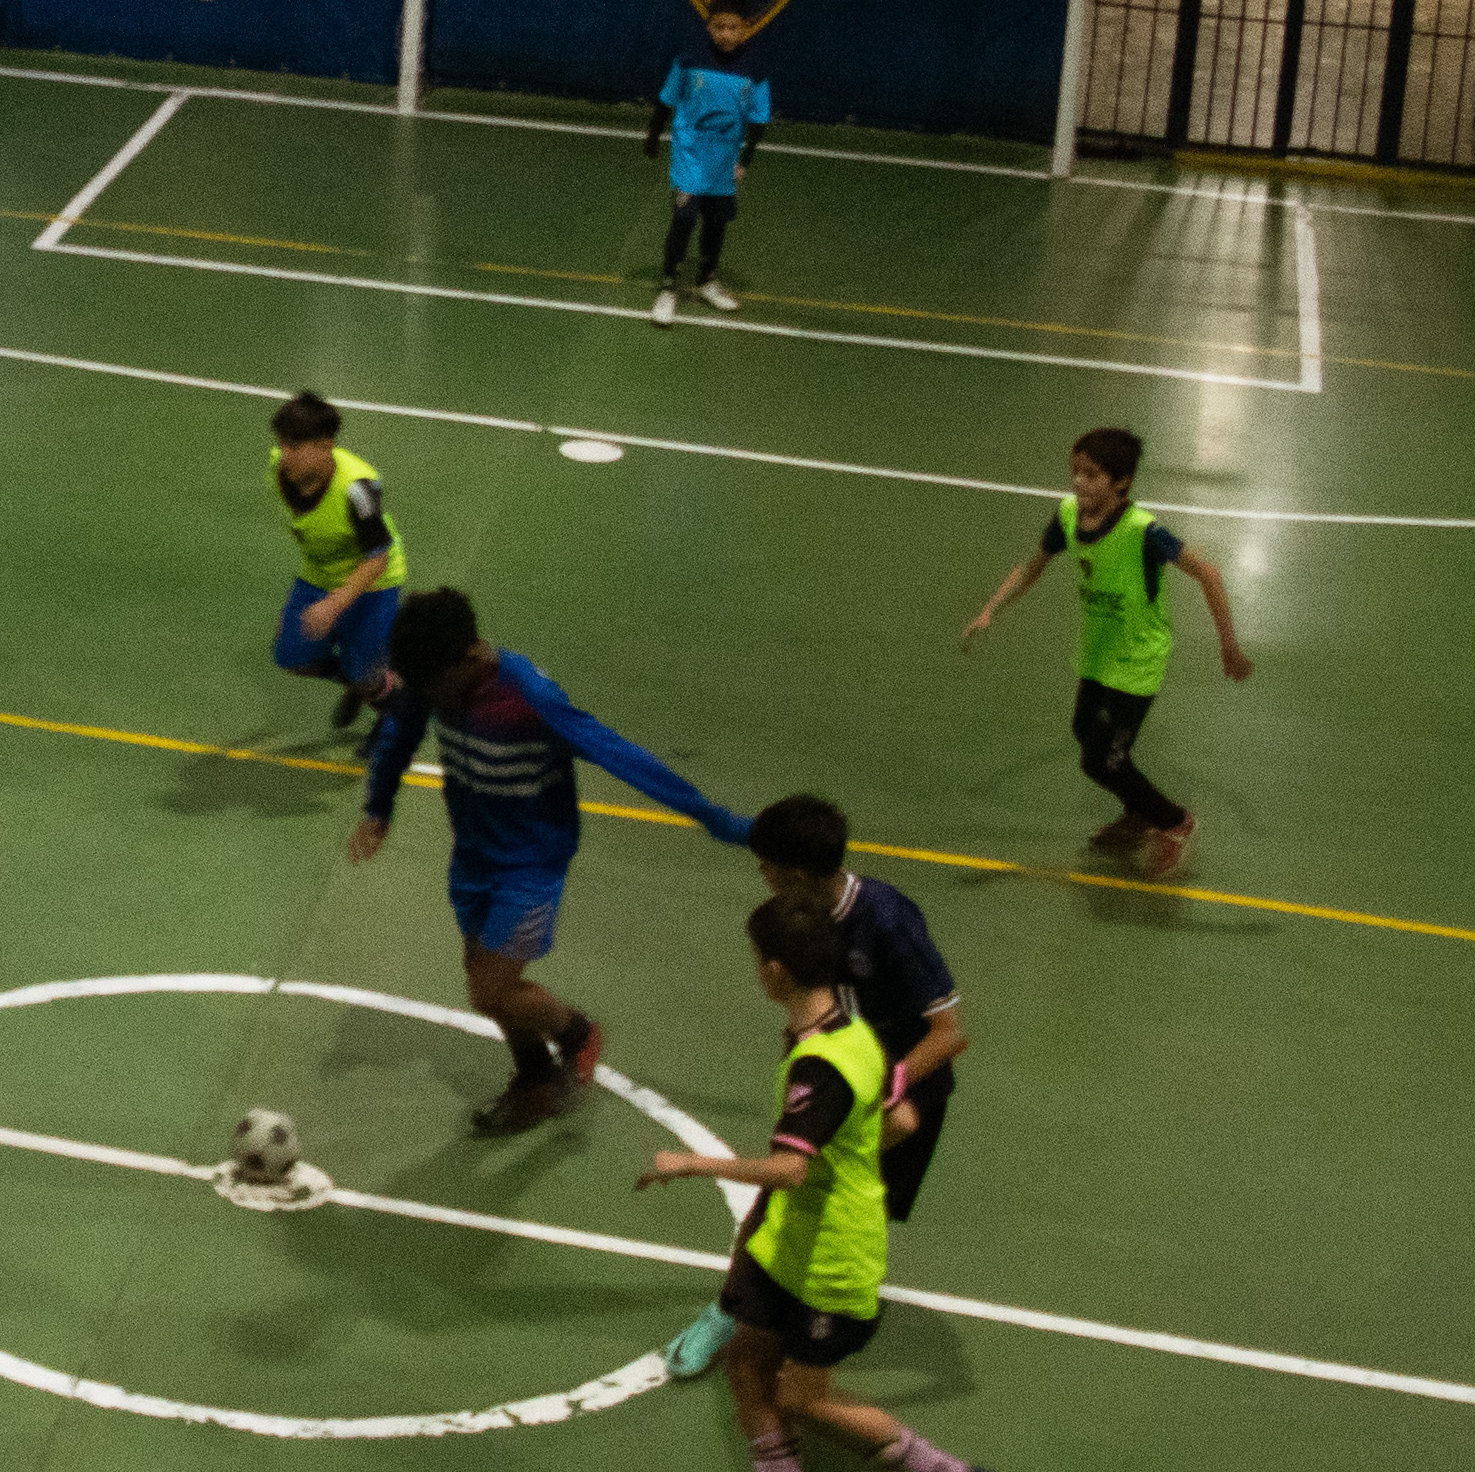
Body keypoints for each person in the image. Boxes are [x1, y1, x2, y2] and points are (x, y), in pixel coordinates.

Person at [637, 893, 997, 1472]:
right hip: (789, 1243)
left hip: (832, 1259)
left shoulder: (820, 1064)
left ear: (774, 971)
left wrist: (691, 1164)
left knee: (803, 1397)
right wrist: (851, 1152)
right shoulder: (856, 1033)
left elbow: (791, 1168)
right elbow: (903, 1123)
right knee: (748, 1367)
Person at [344, 585, 751, 1132]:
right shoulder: (434, 680)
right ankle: (534, 1079)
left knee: (491, 989)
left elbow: (623, 756)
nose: (433, 696)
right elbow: (400, 731)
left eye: (437, 684)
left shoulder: (529, 698)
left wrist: (714, 818)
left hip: (530, 862)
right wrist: (379, 807)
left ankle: (577, 1033)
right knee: (484, 979)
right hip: (473, 851)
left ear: (470, 655)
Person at [680, 792, 967, 1377]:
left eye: (767, 868)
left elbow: (949, 1033)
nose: (763, 878)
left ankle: (805, 1331)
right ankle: (731, 1310)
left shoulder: (889, 921)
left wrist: (880, 1088)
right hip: (840, 1080)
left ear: (798, 874)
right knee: (779, 1198)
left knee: (829, 1206)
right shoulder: (799, 922)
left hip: (897, 1098)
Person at [957, 422, 1252, 872]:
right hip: (1097, 653)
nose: (1079, 482)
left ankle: (1175, 822)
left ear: (1122, 482)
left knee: (1100, 762)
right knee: (1085, 732)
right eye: (1075, 471)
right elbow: (1034, 564)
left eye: (1091, 475)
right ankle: (1137, 812)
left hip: (1137, 660)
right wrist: (991, 609)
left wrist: (1228, 646)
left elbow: (1208, 574)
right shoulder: (1068, 515)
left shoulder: (1143, 531)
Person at [260, 391, 399, 739]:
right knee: (292, 657)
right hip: (320, 574)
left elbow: (378, 558)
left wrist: (334, 605)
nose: (285, 455)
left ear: (326, 445)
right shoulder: (279, 469)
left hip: (373, 581)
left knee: (367, 675)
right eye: (283, 444)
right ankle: (360, 681)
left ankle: (390, 706)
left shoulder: (358, 490)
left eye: (296, 446)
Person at [645, 0, 771, 318]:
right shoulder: (689, 61)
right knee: (685, 218)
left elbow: (758, 120)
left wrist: (744, 161)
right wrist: (653, 136)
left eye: (733, 27)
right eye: (719, 26)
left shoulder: (754, 71)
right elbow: (666, 100)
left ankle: (706, 281)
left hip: (724, 160)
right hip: (690, 154)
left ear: (745, 29)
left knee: (716, 221)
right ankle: (668, 286)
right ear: (709, 26)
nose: (726, 34)